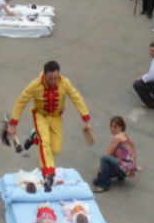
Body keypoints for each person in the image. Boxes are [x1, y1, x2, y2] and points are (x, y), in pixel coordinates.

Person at [6, 61, 92, 190]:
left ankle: (35, 137)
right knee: (45, 142)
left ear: (59, 75)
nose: (53, 81)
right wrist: (13, 124)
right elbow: (21, 102)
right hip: (41, 115)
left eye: (55, 78)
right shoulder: (35, 85)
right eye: (50, 79)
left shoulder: (64, 83)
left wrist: (87, 120)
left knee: (56, 149)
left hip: (56, 117)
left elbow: (76, 98)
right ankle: (48, 174)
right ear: (44, 75)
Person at [92, 116, 137, 193]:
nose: (112, 129)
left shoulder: (117, 137)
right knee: (96, 180)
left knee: (103, 158)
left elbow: (107, 154)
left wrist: (97, 170)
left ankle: (104, 185)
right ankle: (119, 176)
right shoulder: (124, 135)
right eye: (111, 126)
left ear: (121, 127)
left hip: (124, 167)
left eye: (115, 127)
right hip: (128, 167)